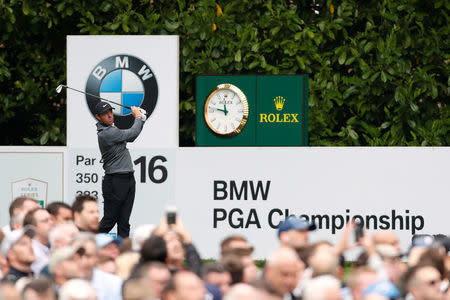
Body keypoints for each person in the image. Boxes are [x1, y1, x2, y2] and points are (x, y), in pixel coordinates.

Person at [94, 101, 145, 238]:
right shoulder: (106, 133)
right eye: (105, 114)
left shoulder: (112, 129)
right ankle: (86, 247)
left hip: (128, 178)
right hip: (115, 181)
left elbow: (132, 134)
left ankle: (124, 256)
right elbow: (132, 135)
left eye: (110, 111)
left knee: (124, 222)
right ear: (98, 117)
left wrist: (141, 120)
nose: (110, 115)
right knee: (109, 221)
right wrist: (138, 117)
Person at [23, 208, 54, 275]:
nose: (51, 223)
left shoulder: (47, 247)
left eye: (51, 219)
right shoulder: (33, 251)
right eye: (45, 221)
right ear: (33, 228)